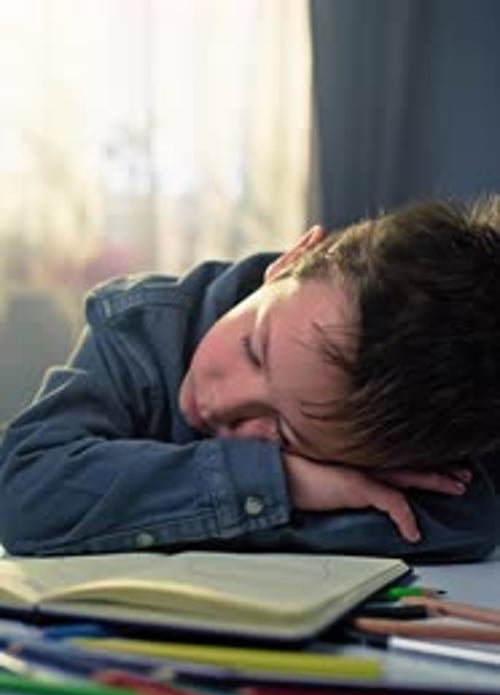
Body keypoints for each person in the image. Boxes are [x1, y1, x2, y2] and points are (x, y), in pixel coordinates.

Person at [0, 197, 499, 560]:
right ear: (291, 261)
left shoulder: (411, 424)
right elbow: (25, 493)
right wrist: (282, 480)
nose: (223, 401)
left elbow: (469, 520)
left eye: (283, 434)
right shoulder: (144, 330)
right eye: (252, 349)